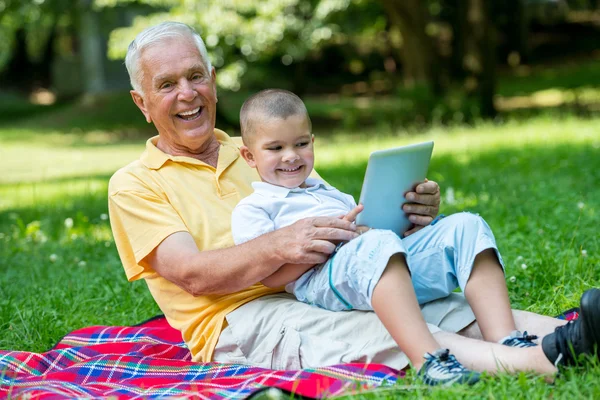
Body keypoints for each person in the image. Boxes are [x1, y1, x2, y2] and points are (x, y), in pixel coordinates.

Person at [108, 21, 600, 386]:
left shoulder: (263, 147)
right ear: (141, 102)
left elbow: (337, 220)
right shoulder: (134, 184)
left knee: (436, 302)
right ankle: (546, 361)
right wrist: (282, 246)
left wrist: (404, 217)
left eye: (195, 76)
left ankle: (574, 335)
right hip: (242, 318)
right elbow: (192, 274)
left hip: (325, 278)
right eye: (167, 85)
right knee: (387, 326)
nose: (187, 93)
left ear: (213, 79)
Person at [231, 88, 544, 384]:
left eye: (301, 144)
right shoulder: (254, 208)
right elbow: (270, 279)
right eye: (275, 148)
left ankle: (507, 340)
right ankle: (429, 361)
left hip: (376, 265)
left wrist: (402, 218)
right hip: (321, 283)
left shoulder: (330, 193)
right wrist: (332, 242)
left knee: (466, 226)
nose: (291, 156)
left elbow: (375, 234)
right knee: (376, 244)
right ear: (248, 156)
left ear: (312, 141)